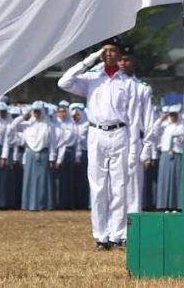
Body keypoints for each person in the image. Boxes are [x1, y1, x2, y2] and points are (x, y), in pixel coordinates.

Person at [58, 37, 140, 250]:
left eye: (113, 50)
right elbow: (64, 81)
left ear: (120, 55)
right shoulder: (91, 78)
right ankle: (100, 236)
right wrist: (91, 59)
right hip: (96, 134)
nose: (109, 54)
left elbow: (134, 118)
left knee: (119, 187)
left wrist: (134, 150)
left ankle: (117, 234)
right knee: (98, 187)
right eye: (105, 51)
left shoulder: (128, 83)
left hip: (120, 133)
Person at [119, 46, 155, 214]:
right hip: (114, 137)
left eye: (126, 60)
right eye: (120, 59)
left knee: (133, 186)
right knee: (115, 185)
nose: (122, 63)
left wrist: (148, 149)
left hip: (135, 140)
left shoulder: (142, 88)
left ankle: (133, 227)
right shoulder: (107, 84)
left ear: (133, 62)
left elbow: (149, 121)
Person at [9, 101, 59, 211]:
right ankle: (30, 204)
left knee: (43, 180)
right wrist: (23, 117)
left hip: (44, 154)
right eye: (34, 111)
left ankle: (44, 204)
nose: (36, 113)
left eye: (38, 111)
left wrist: (52, 158)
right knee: (30, 180)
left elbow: (52, 144)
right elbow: (13, 126)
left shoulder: (49, 126)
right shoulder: (27, 124)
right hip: (30, 154)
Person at [148, 104, 184, 211]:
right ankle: (164, 205)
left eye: (174, 115)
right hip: (165, 155)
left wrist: (178, 142)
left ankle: (176, 206)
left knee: (176, 181)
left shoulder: (182, 126)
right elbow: (153, 130)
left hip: (177, 154)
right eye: (171, 115)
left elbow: (183, 139)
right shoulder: (165, 126)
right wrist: (161, 119)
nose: (173, 117)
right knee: (165, 180)